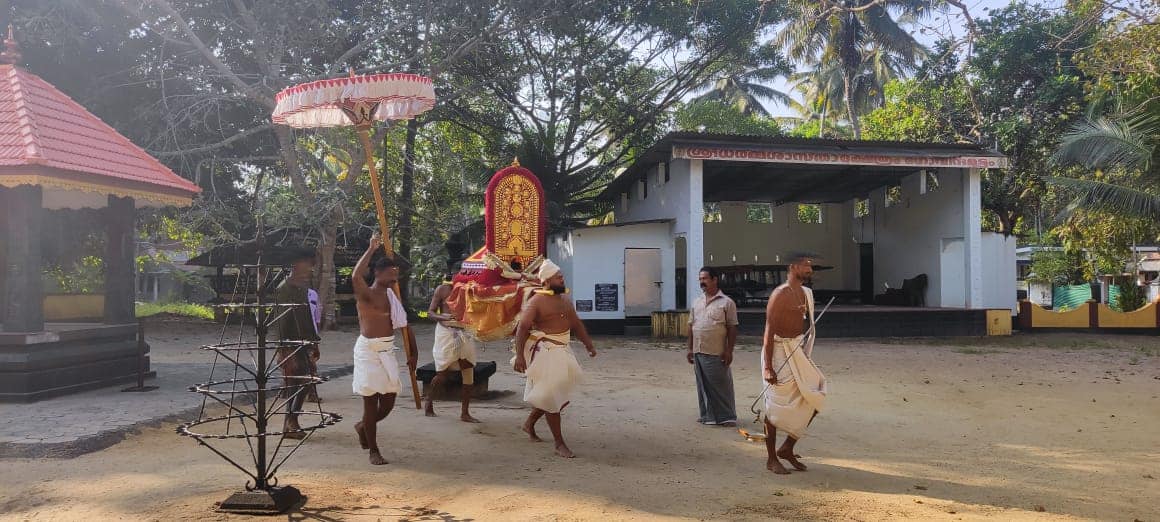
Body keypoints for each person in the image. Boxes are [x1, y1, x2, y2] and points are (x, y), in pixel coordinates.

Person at [512, 260, 597, 458]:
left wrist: (589, 345)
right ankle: (559, 444)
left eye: (561, 276)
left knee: (560, 397)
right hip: (546, 353)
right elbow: (523, 327)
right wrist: (519, 356)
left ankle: (529, 423)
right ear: (547, 281)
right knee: (552, 397)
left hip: (564, 351)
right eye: (558, 277)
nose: (562, 278)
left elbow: (576, 324)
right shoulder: (536, 301)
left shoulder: (565, 300)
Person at [351, 234, 418, 465]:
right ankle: (373, 450)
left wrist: (414, 353)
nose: (394, 278)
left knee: (388, 402)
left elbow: (404, 325)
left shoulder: (392, 296)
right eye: (390, 273)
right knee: (370, 401)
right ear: (378, 273)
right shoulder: (366, 294)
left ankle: (363, 427)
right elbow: (356, 275)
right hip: (368, 352)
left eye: (396, 274)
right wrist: (371, 248)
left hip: (387, 350)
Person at [760, 253, 828, 475]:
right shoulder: (779, 294)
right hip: (778, 352)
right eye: (805, 265)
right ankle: (771, 458)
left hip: (797, 350)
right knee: (775, 406)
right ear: (792, 267)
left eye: (811, 266)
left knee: (816, 395)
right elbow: (768, 333)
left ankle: (787, 447)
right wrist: (768, 367)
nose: (810, 269)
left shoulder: (806, 293)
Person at [273, 246, 321, 440]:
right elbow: (281, 321)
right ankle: (290, 422)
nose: (310, 267)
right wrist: (283, 349)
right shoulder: (284, 289)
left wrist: (314, 342)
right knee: (296, 383)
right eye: (307, 263)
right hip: (290, 343)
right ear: (296, 264)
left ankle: (292, 421)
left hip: (304, 341)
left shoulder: (303, 289)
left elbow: (308, 317)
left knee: (305, 381)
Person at [424, 266, 481, 422]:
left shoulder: (472, 288)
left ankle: (465, 413)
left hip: (465, 330)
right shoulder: (442, 289)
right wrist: (445, 319)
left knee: (468, 368)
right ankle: (429, 401)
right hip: (446, 333)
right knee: (443, 373)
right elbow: (430, 312)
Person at [686, 266, 739, 427]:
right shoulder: (697, 302)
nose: (702, 282)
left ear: (715, 279)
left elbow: (732, 327)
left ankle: (727, 417)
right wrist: (689, 349)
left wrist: (729, 350)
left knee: (720, 384)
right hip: (698, 350)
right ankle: (708, 416)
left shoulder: (727, 302)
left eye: (705, 279)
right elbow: (691, 326)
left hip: (717, 351)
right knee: (702, 385)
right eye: (700, 279)